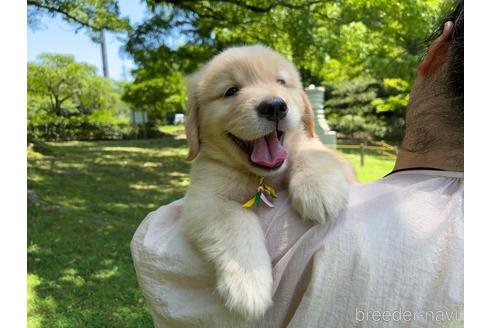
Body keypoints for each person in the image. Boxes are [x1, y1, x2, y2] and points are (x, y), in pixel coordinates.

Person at [131, 1, 464, 327]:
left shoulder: (306, 148)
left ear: (301, 105)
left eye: (281, 83)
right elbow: (204, 207)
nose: (272, 101)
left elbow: (330, 166)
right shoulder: (215, 166)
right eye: (231, 90)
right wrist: (238, 254)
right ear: (196, 120)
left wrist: (312, 165)